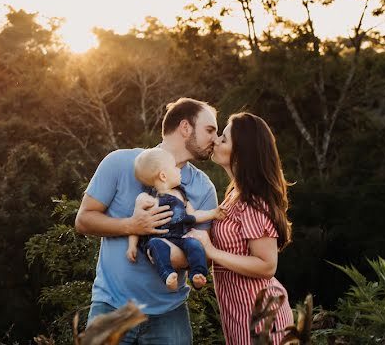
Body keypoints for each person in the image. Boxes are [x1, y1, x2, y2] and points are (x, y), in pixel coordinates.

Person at [75, 97, 219, 344]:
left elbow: (204, 256)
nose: (215, 139)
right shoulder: (119, 162)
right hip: (112, 307)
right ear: (185, 128)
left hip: (169, 314)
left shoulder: (204, 187)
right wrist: (132, 226)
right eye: (210, 130)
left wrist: (159, 249)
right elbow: (83, 220)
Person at [186, 113, 294, 344]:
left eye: (223, 139)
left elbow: (267, 265)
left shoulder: (252, 202)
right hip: (239, 314)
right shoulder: (234, 195)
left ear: (241, 152)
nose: (215, 140)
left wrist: (212, 252)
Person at [127, 148, 225, 291]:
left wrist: (213, 213)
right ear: (163, 176)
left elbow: (194, 216)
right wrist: (131, 246)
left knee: (194, 244)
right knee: (155, 245)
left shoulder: (181, 195)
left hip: (181, 238)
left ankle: (198, 274)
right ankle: (168, 274)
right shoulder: (146, 198)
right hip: (160, 239)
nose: (179, 170)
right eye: (174, 167)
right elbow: (136, 224)